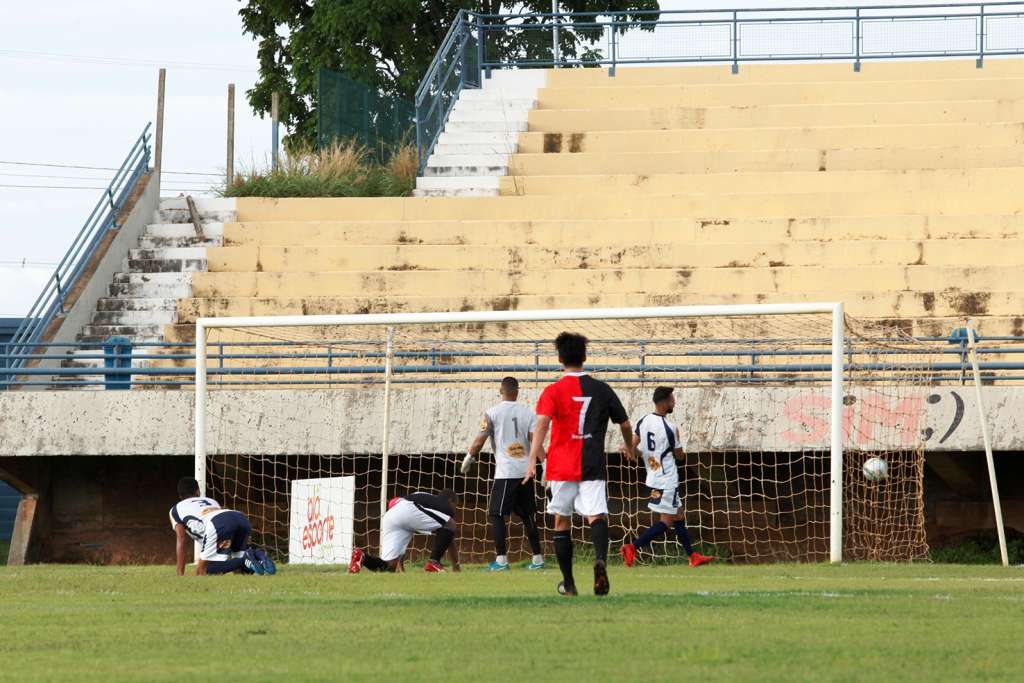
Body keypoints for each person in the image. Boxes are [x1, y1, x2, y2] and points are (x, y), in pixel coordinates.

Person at [524, 332, 636, 597]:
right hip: (592, 464)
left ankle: (569, 584)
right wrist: (630, 447)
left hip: (561, 466)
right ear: (584, 357)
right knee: (596, 515)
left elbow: (541, 423)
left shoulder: (552, 391)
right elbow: (626, 424)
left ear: (560, 358)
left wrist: (532, 460)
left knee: (562, 521)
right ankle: (600, 560)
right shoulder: (602, 389)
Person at [620, 387, 714, 569]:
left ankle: (693, 556)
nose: (674, 402)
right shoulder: (670, 428)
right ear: (664, 402)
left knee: (679, 515)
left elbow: (633, 446)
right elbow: (679, 456)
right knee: (667, 520)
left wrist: (629, 450)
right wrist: (680, 453)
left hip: (655, 474)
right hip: (667, 478)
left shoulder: (643, 420)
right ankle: (632, 547)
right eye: (672, 399)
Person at [461, 376, 545, 571]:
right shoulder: (528, 413)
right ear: (517, 391)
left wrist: (469, 457)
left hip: (506, 472)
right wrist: (545, 463)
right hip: (525, 471)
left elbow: (479, 441)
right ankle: (538, 559)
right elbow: (536, 441)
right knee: (529, 515)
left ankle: (501, 561)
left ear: (501, 391)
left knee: (496, 514)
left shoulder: (491, 413)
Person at [169, 477, 275, 576]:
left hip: (218, 523)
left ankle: (245, 559)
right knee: (241, 572)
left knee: (202, 570)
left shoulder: (175, 509)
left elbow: (181, 539)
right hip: (239, 517)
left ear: (179, 496)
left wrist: (180, 573)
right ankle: (258, 555)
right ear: (198, 492)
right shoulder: (211, 501)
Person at [349, 489, 461, 573]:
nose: (454, 509)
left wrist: (400, 565)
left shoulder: (425, 498)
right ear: (451, 500)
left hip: (392, 514)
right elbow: (449, 537)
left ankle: (362, 556)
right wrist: (456, 566)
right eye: (455, 505)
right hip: (408, 509)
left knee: (389, 566)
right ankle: (434, 562)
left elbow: (445, 537)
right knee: (450, 524)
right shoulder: (444, 506)